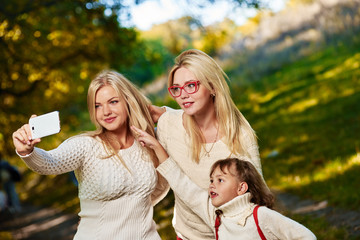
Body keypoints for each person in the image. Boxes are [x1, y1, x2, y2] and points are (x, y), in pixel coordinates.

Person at [12, 70, 168, 240]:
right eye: (97, 105)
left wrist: (164, 112)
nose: (105, 111)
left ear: (128, 102)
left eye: (113, 102)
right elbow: (49, 163)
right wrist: (26, 151)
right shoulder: (86, 145)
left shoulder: (151, 139)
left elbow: (161, 184)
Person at [151, 49, 264, 239]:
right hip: (187, 236)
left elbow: (257, 201)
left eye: (191, 85)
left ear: (212, 87)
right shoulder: (168, 124)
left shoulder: (240, 136)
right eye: (176, 89)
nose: (183, 95)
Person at [129, 128, 316, 240]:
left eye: (220, 180)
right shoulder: (215, 217)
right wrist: (156, 147)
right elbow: (182, 184)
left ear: (241, 187)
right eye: (211, 180)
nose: (212, 185)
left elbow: (305, 236)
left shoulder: (260, 216)